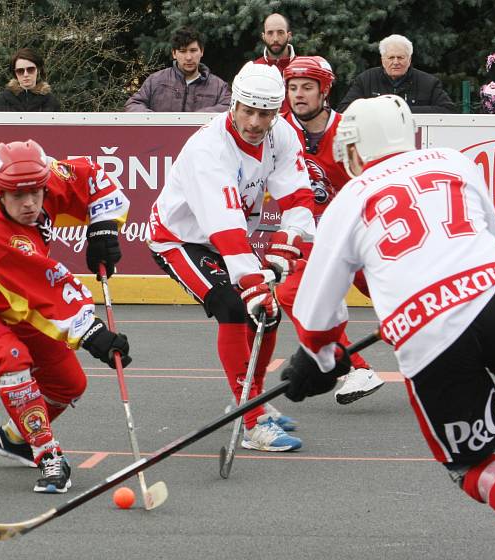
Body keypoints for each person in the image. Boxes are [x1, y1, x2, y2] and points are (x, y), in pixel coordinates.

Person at [281, 94, 495, 560]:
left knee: (470, 465)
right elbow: (494, 243)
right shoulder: (454, 160)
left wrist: (319, 361)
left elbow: (316, 312)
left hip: (427, 332)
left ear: (355, 148)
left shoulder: (348, 199)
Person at [0, 139, 131, 494]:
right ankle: (47, 454)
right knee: (11, 357)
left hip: (10, 298)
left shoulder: (48, 179)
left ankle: (15, 439)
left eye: (36, 191)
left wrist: (103, 226)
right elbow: (47, 288)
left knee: (68, 384)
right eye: (18, 196)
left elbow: (95, 176)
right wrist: (92, 332)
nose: (31, 202)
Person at [148, 61, 317, 451]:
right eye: (248, 111)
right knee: (234, 306)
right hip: (180, 238)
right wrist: (253, 281)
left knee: (268, 313)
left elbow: (298, 198)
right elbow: (223, 229)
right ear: (234, 104)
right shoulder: (208, 150)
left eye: (266, 114)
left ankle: (251, 399)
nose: (255, 122)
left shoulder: (283, 134)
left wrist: (287, 243)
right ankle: (251, 420)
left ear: (277, 112)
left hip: (231, 236)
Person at [276, 55, 384, 404]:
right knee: (291, 293)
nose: (298, 95)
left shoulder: (347, 131)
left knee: (395, 295)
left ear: (324, 91)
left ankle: (463, 342)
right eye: (292, 88)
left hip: (357, 234)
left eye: (307, 87)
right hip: (317, 241)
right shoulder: (279, 130)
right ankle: (355, 367)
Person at [336, 34, 454, 113]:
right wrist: (378, 111)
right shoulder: (366, 79)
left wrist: (403, 110)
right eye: (391, 57)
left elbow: (447, 109)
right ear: (383, 59)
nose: (396, 62)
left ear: (409, 59)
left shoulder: (428, 83)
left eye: (401, 57)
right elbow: (344, 109)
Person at [125, 26, 230, 112]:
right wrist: (153, 120)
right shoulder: (155, 81)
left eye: (193, 50)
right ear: (174, 53)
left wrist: (199, 117)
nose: (188, 57)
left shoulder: (218, 86)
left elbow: (230, 109)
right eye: (183, 51)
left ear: (201, 51)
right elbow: (133, 104)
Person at [0, 48, 61, 112]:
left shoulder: (51, 101)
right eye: (20, 71)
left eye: (30, 69)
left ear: (38, 70)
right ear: (15, 73)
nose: (26, 74)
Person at [254, 13, 295, 112]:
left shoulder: (302, 67)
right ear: (263, 36)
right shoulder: (254, 69)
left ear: (289, 36)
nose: (275, 39)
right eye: (270, 33)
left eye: (280, 32)